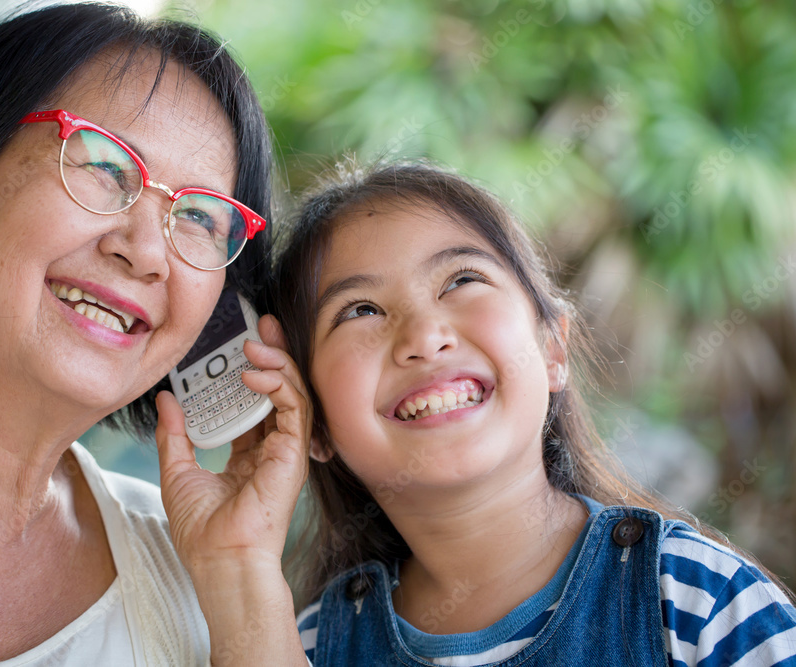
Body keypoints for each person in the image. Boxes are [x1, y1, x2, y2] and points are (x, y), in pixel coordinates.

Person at [0, 3, 307, 665]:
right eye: (103, 163)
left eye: (203, 218)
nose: (148, 251)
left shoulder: (202, 573)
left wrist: (240, 578)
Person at [172, 160, 796, 666]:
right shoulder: (299, 649)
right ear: (316, 424)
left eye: (461, 280)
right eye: (359, 310)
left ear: (554, 347)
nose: (424, 334)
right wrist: (236, 569)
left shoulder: (696, 602)